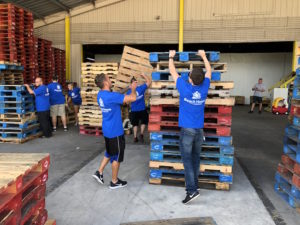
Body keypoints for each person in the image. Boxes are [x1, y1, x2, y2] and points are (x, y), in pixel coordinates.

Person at [169, 50, 211, 204]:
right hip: (199, 130)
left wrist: (171, 56)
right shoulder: (205, 86)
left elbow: (172, 71)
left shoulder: (185, 88)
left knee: (187, 161)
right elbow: (209, 71)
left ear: (190, 79)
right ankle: (195, 185)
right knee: (195, 158)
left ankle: (192, 191)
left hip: (187, 130)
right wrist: (204, 56)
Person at [92, 73, 138, 189]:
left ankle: (99, 172)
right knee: (116, 156)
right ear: (106, 82)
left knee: (109, 151)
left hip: (107, 130)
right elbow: (132, 98)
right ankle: (114, 181)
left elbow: (116, 95)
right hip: (115, 131)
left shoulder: (101, 95)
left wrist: (128, 87)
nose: (110, 80)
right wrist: (133, 89)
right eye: (109, 78)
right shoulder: (111, 97)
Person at [123, 74, 152, 143]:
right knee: (140, 123)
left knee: (138, 123)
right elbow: (149, 81)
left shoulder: (130, 92)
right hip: (139, 110)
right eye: (135, 82)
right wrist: (144, 75)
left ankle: (137, 136)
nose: (136, 84)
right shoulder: (140, 88)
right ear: (134, 83)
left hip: (137, 110)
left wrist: (129, 102)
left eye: (135, 83)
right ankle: (139, 135)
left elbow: (126, 102)